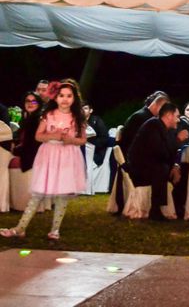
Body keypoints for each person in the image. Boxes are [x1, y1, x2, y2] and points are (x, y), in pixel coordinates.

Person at [0, 80, 86, 240]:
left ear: (74, 98)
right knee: (38, 193)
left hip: (67, 156)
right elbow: (38, 136)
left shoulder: (77, 117)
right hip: (49, 155)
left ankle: (55, 230)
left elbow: (82, 139)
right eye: (61, 95)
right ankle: (20, 227)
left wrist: (70, 140)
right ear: (56, 97)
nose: (65, 99)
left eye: (69, 96)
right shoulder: (48, 115)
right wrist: (52, 136)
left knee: (62, 194)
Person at [112, 91, 169, 213]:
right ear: (157, 106)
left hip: (139, 159)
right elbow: (134, 145)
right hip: (134, 163)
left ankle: (161, 208)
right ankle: (156, 209)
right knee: (161, 168)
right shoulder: (141, 118)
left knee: (165, 165)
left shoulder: (147, 118)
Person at [128, 102, 182, 221]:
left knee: (177, 168)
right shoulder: (153, 125)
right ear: (169, 115)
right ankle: (155, 210)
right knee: (161, 168)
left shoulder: (164, 129)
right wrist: (178, 140)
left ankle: (179, 207)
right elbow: (160, 152)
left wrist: (175, 166)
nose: (179, 120)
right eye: (177, 116)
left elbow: (167, 153)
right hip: (139, 169)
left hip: (151, 165)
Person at [173, 101, 189, 218]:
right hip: (182, 156)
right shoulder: (181, 122)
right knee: (183, 179)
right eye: (188, 109)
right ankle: (179, 205)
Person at [12, 92, 44, 172]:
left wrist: (14, 150)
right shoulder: (27, 118)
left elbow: (31, 145)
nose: (30, 103)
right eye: (27, 101)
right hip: (25, 154)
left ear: (39, 104)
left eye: (34, 101)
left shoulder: (37, 120)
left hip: (31, 159)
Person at [82, 102, 110, 166]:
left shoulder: (97, 120)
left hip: (96, 153)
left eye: (85, 108)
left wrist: (88, 140)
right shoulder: (78, 122)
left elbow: (104, 139)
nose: (82, 111)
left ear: (90, 110)